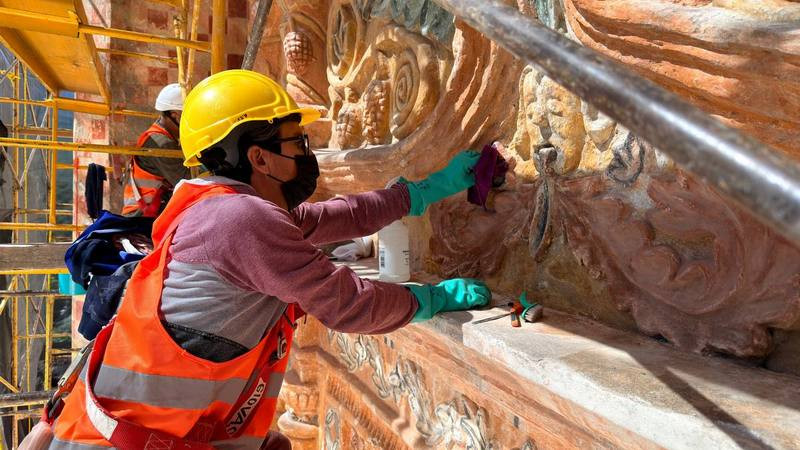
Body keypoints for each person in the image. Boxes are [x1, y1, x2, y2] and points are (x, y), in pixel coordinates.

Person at [50, 70, 490, 449]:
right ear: (259, 156)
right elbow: (350, 304)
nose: (305, 153)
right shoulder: (240, 220)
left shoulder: (216, 207)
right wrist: (432, 300)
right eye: (297, 141)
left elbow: (335, 217)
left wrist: (423, 191)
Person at [122, 83, 190, 217]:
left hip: (150, 208)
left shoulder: (159, 134)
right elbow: (187, 179)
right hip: (142, 215)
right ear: (175, 115)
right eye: (188, 116)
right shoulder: (161, 143)